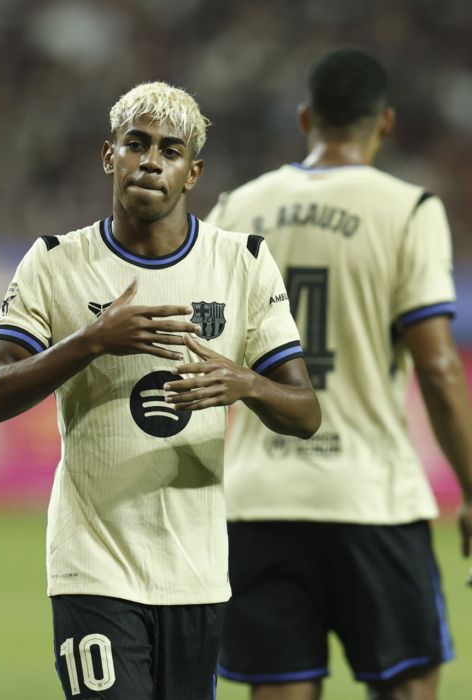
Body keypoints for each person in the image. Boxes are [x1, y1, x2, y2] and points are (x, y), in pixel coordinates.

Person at [0, 81, 321, 700]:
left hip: (196, 574)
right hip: (92, 566)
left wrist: (245, 383)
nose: (151, 161)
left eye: (170, 151)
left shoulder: (242, 262)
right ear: (111, 156)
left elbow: (306, 413)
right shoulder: (55, 262)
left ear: (193, 173)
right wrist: (91, 340)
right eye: (137, 144)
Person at [206, 47, 472, 700]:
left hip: (257, 499)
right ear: (386, 122)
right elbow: (439, 368)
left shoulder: (237, 208)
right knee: (407, 688)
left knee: (279, 690)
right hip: (370, 497)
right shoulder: (409, 209)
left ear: (305, 118)